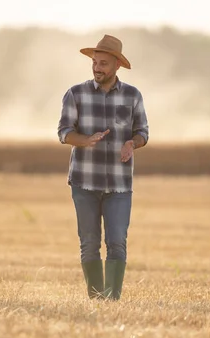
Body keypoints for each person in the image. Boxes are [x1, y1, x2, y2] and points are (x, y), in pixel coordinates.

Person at [57, 34, 149, 301]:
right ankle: (97, 300)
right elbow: (64, 132)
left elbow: (143, 131)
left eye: (104, 63)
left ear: (117, 65)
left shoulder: (133, 95)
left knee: (117, 242)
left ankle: (112, 300)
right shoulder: (75, 94)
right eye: (95, 62)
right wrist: (85, 140)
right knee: (89, 244)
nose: (98, 68)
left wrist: (133, 143)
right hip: (84, 182)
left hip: (120, 184)